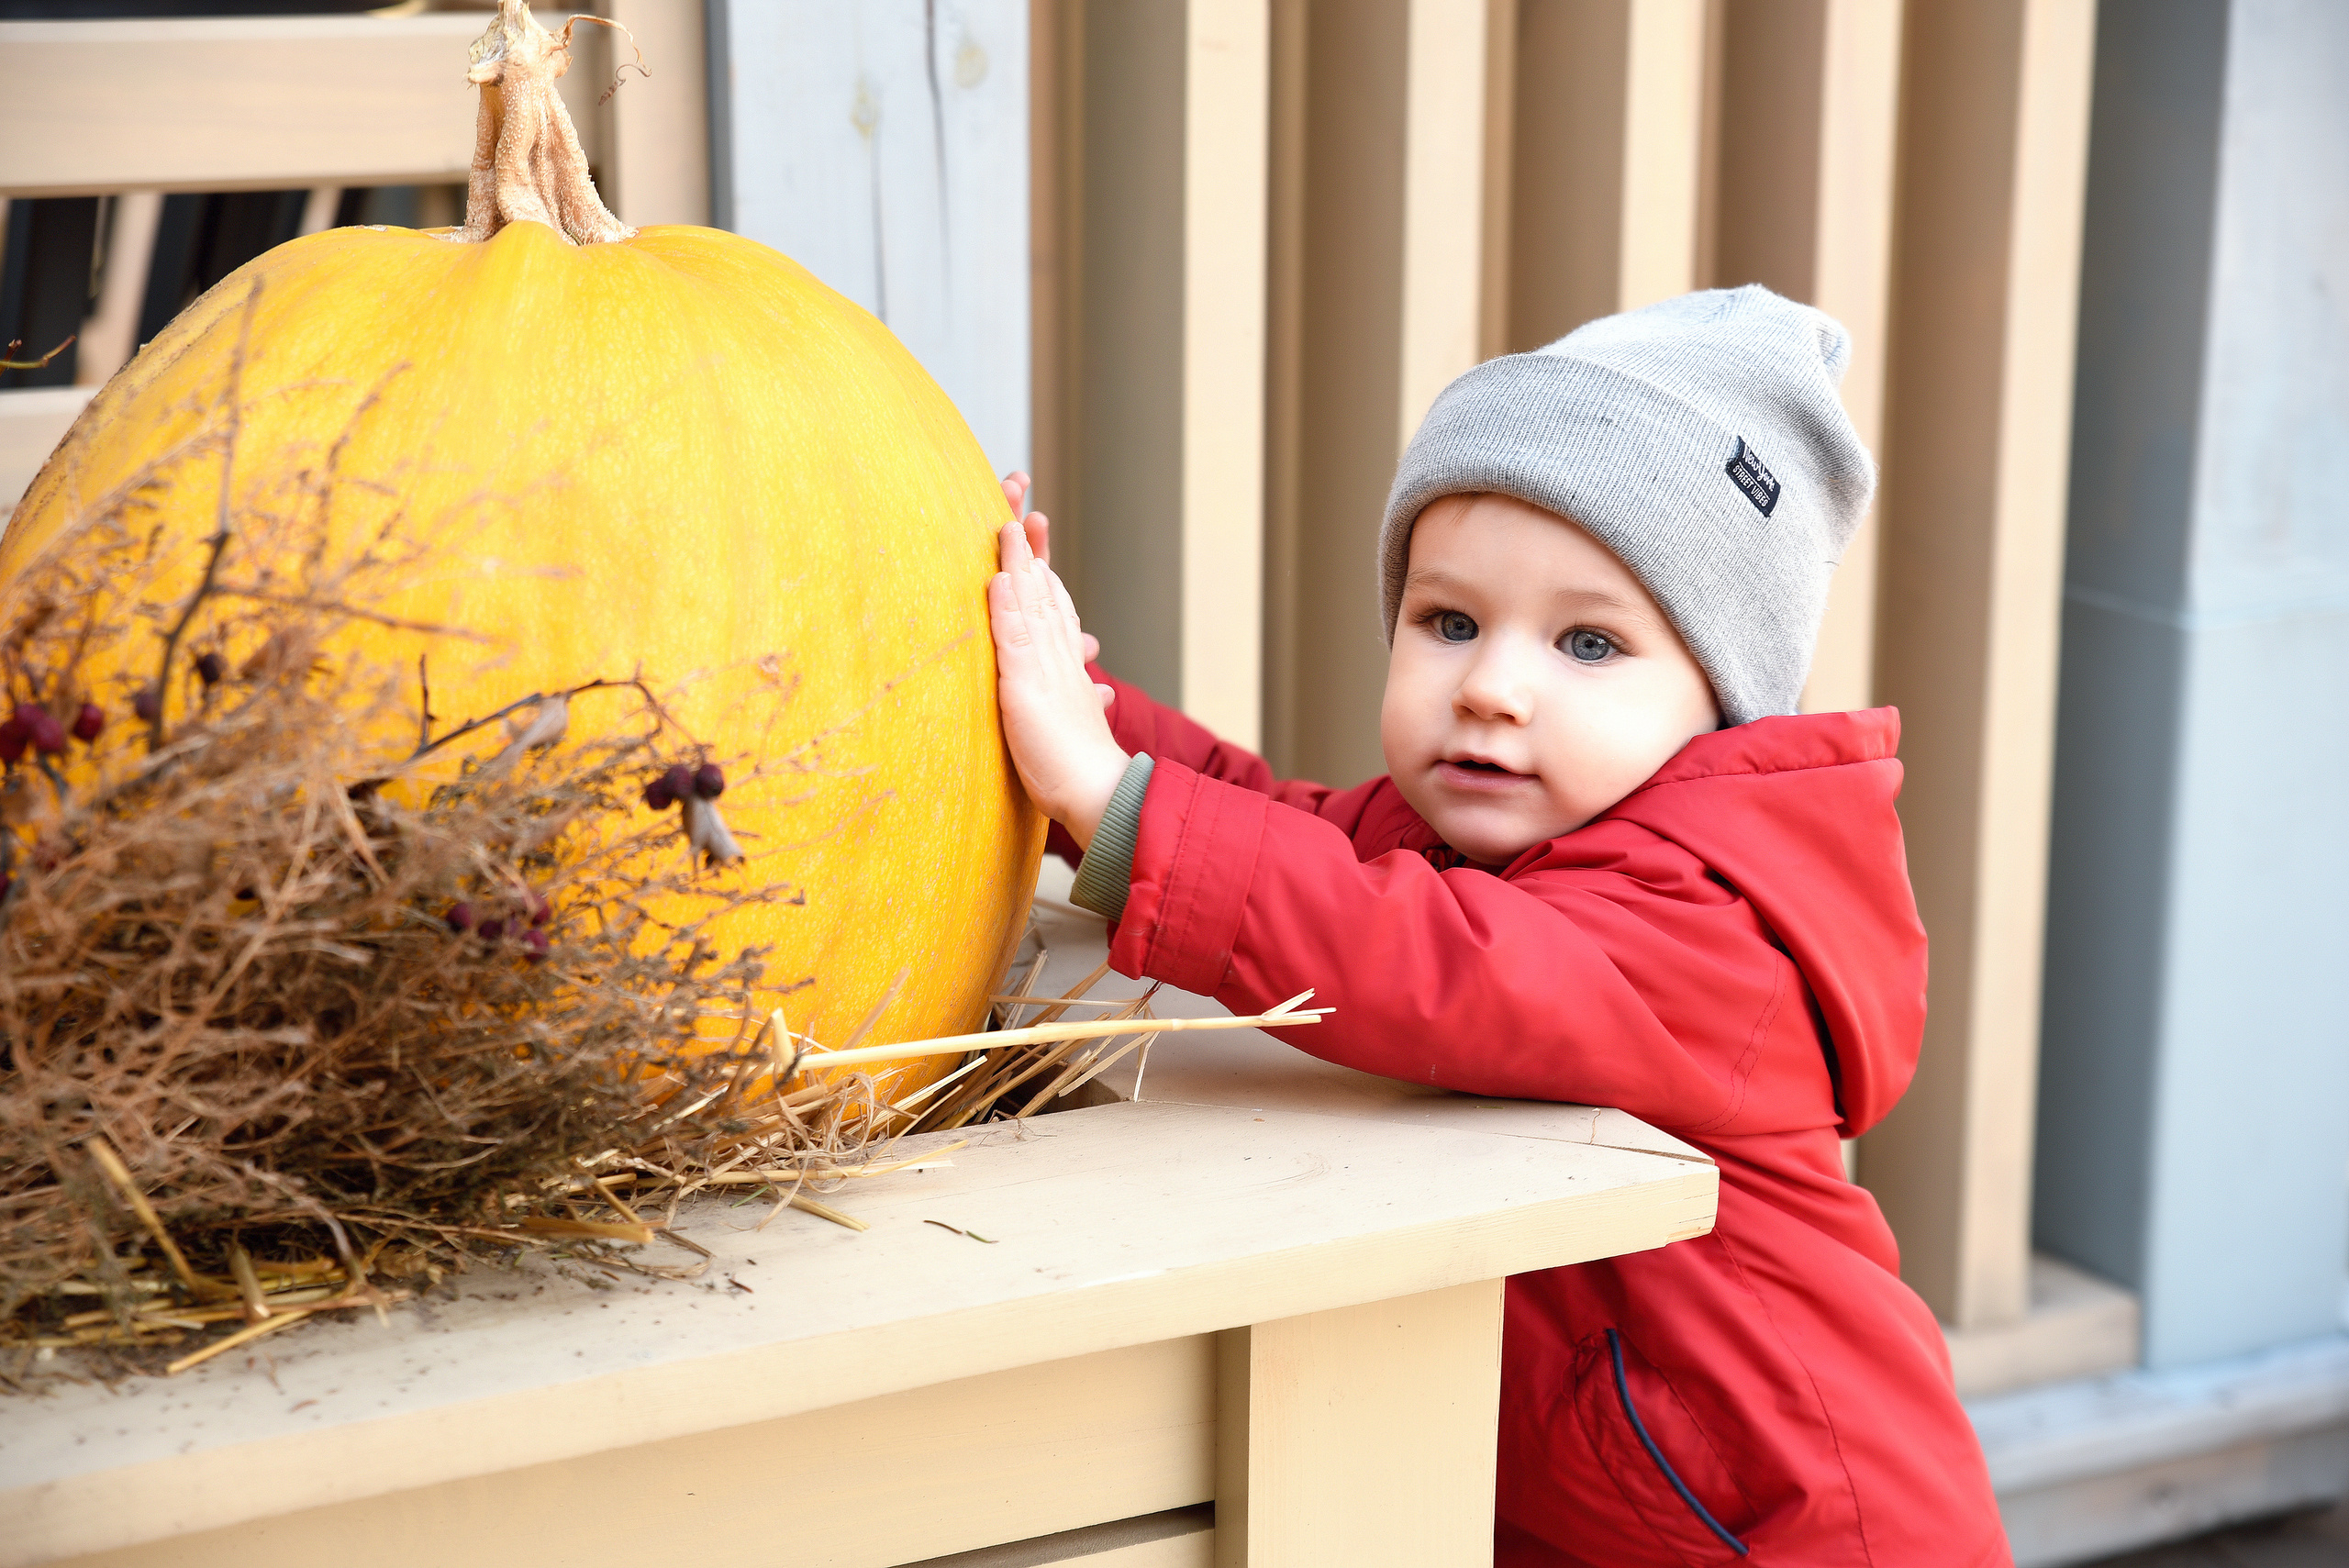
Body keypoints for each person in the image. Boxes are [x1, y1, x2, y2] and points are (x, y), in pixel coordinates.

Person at [985, 285, 2009, 1566]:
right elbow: (1288, 836)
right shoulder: (1487, 833)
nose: (1492, 685)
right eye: (1449, 620)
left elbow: (1424, 961)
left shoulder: (1706, 924)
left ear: (1718, 705)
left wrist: (1111, 795)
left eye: (1588, 641)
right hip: (1626, 1492)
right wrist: (1082, 722)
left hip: (1788, 1522)